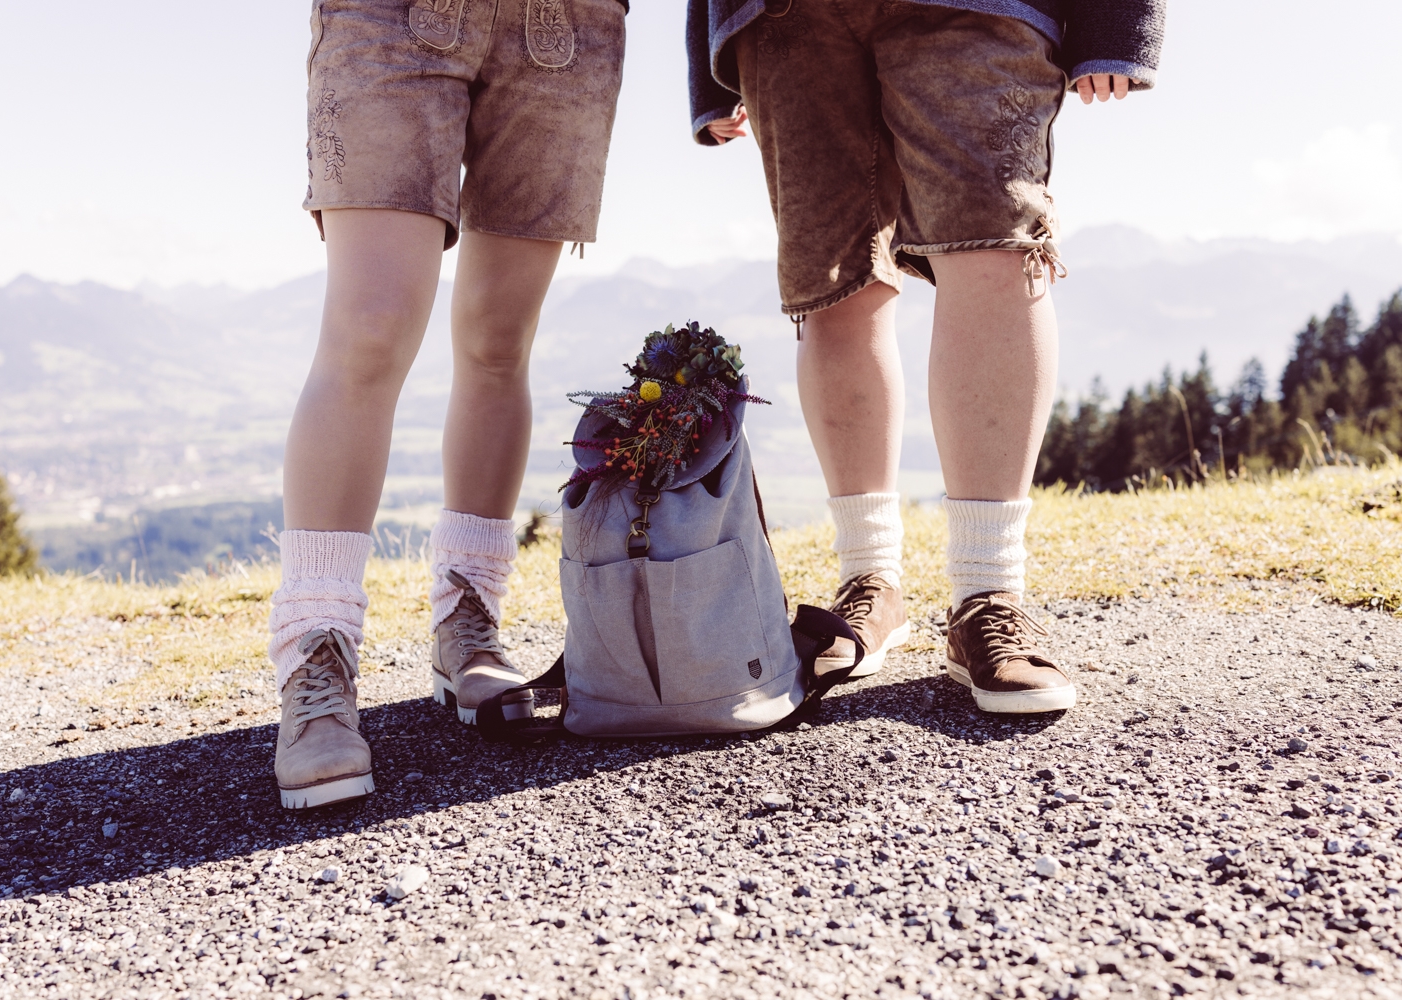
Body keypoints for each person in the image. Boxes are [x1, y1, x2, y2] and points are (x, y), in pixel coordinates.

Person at [687, 0, 1164, 712]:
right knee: (833, 286)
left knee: (998, 250)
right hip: (782, 18)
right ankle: (869, 582)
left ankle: (988, 592)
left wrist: (1122, 21)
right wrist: (709, 59)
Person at [269, 0, 629, 809]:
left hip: (566, 27)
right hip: (390, 17)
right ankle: (315, 654)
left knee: (500, 342)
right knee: (369, 331)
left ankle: (467, 617)